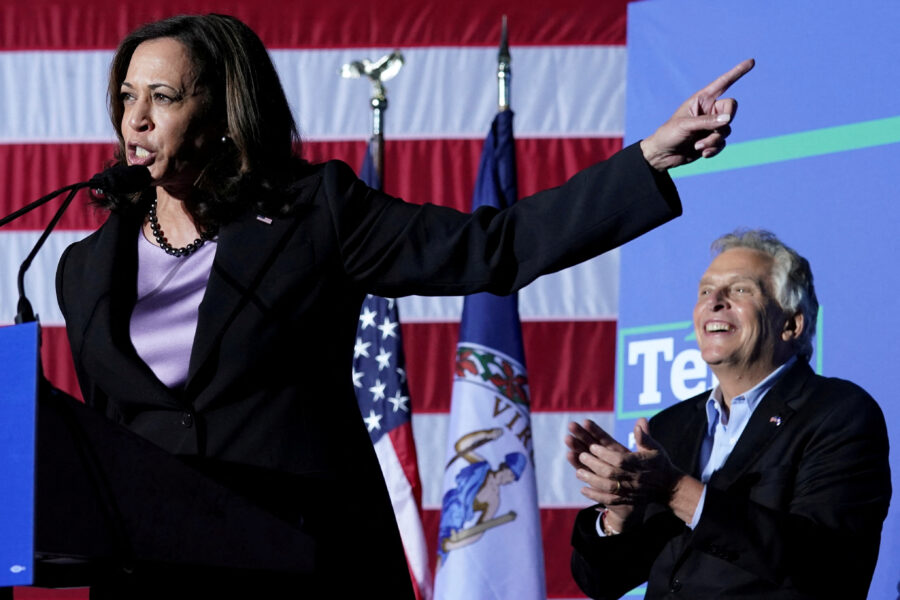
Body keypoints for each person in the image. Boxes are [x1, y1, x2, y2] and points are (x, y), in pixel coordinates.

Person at [54, 12, 752, 599]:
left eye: (164, 97)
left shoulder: (314, 215)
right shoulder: (83, 268)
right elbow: (110, 445)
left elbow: (491, 248)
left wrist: (649, 161)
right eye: (126, 97)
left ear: (224, 112)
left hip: (304, 562)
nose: (136, 119)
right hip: (153, 574)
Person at [566, 230, 892, 599]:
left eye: (740, 290)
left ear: (791, 324)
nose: (714, 302)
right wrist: (618, 517)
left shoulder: (838, 412)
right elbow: (602, 582)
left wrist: (676, 490)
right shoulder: (671, 426)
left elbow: (826, 564)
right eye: (705, 291)